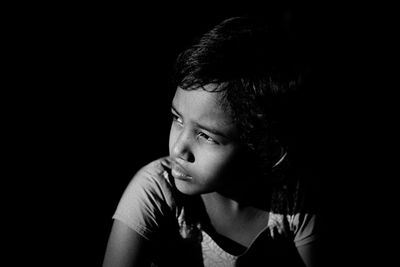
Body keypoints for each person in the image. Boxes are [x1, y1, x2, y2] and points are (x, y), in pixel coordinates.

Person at [103, 16, 322, 267]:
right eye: (177, 119)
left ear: (262, 144)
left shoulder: (295, 201)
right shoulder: (155, 190)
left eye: (206, 136)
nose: (178, 149)